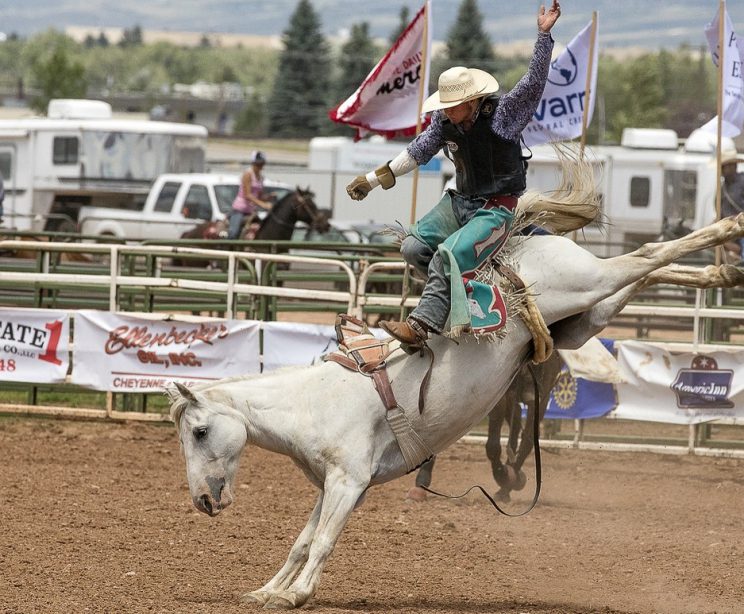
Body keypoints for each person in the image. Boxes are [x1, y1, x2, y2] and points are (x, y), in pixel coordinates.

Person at [346, 1, 561, 346]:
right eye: (444, 103)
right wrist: (372, 180)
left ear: (472, 101)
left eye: (452, 103)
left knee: (450, 252)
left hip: (496, 207)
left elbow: (534, 82)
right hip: (459, 201)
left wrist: (543, 35)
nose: (446, 109)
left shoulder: (502, 115)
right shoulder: (443, 123)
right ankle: (456, 295)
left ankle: (420, 326)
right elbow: (417, 151)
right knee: (413, 248)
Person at [228, 150, 273, 240]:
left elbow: (258, 196)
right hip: (240, 210)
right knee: (234, 232)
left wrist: (267, 198)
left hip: (251, 211)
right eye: (258, 164)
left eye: (261, 164)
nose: (260, 166)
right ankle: (227, 249)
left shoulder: (261, 178)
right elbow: (247, 195)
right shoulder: (247, 174)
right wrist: (263, 204)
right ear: (253, 163)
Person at [721, 150, 744, 258]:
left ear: (734, 166)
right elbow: (719, 210)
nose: (723, 170)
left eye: (727, 166)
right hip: (728, 229)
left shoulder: (742, 181)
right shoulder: (722, 188)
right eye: (723, 167)